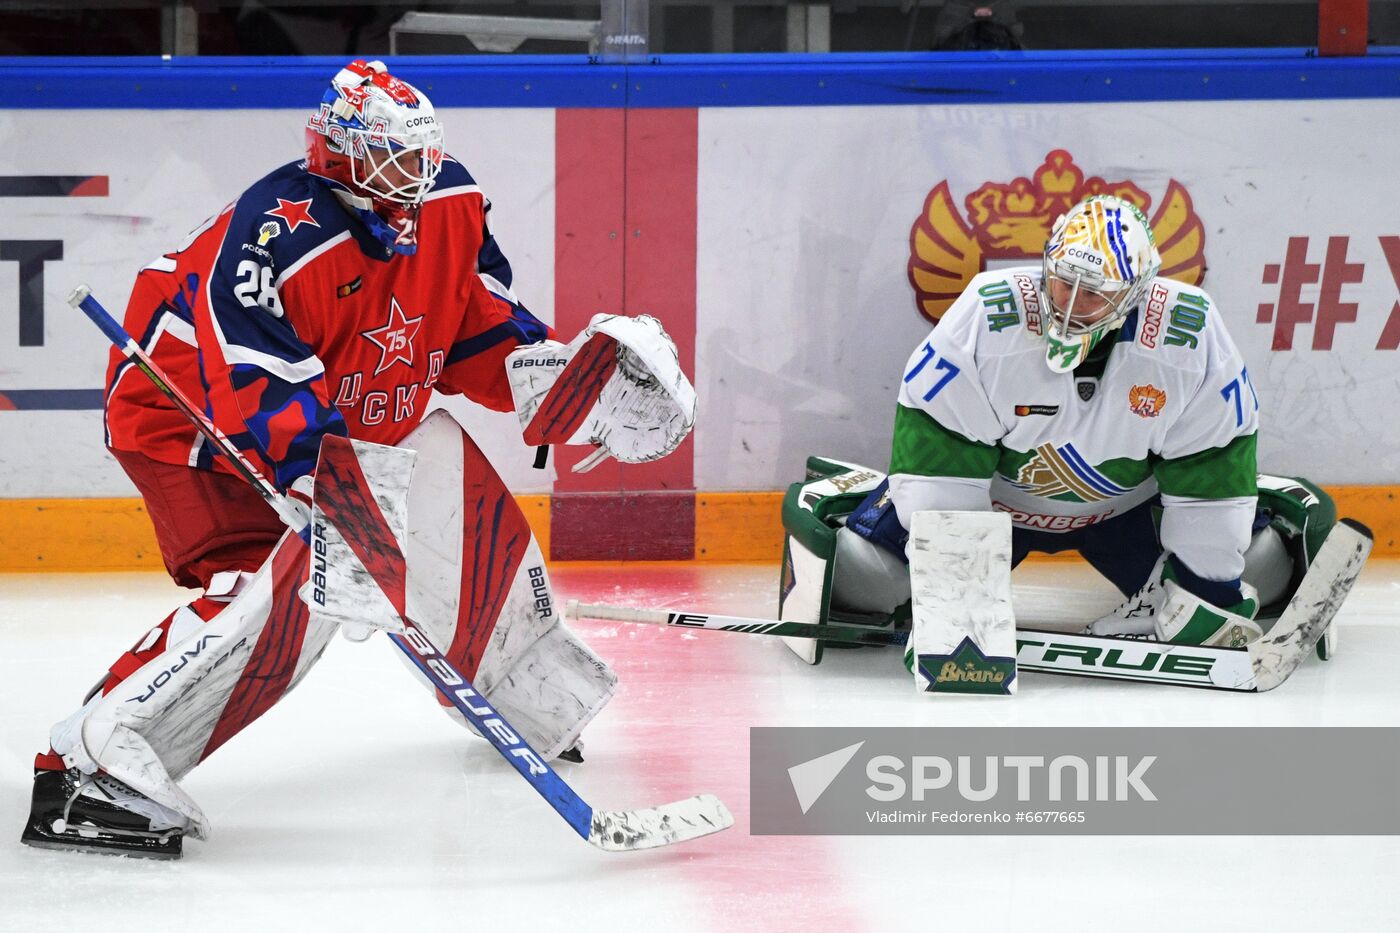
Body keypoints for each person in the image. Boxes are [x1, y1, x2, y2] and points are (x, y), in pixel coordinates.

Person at [22, 59, 692, 858]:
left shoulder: (447, 202)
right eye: (396, 159)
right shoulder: (272, 238)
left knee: (441, 465)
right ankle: (92, 764)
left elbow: (471, 327)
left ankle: (521, 685)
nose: (417, 174)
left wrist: (567, 385)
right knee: (288, 586)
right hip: (193, 425)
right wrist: (332, 494)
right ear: (341, 154)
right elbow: (252, 389)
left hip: (338, 411)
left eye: (423, 155)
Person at [779, 194, 1337, 665]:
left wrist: (1209, 591)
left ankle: (1264, 514)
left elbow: (1212, 466)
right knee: (864, 586)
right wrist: (954, 602)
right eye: (1064, 281)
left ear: (1137, 294)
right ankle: (844, 500)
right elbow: (937, 455)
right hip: (995, 504)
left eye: (1094, 292)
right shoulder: (985, 315)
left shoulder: (1190, 336)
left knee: (1261, 577)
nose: (1069, 305)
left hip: (1127, 511)